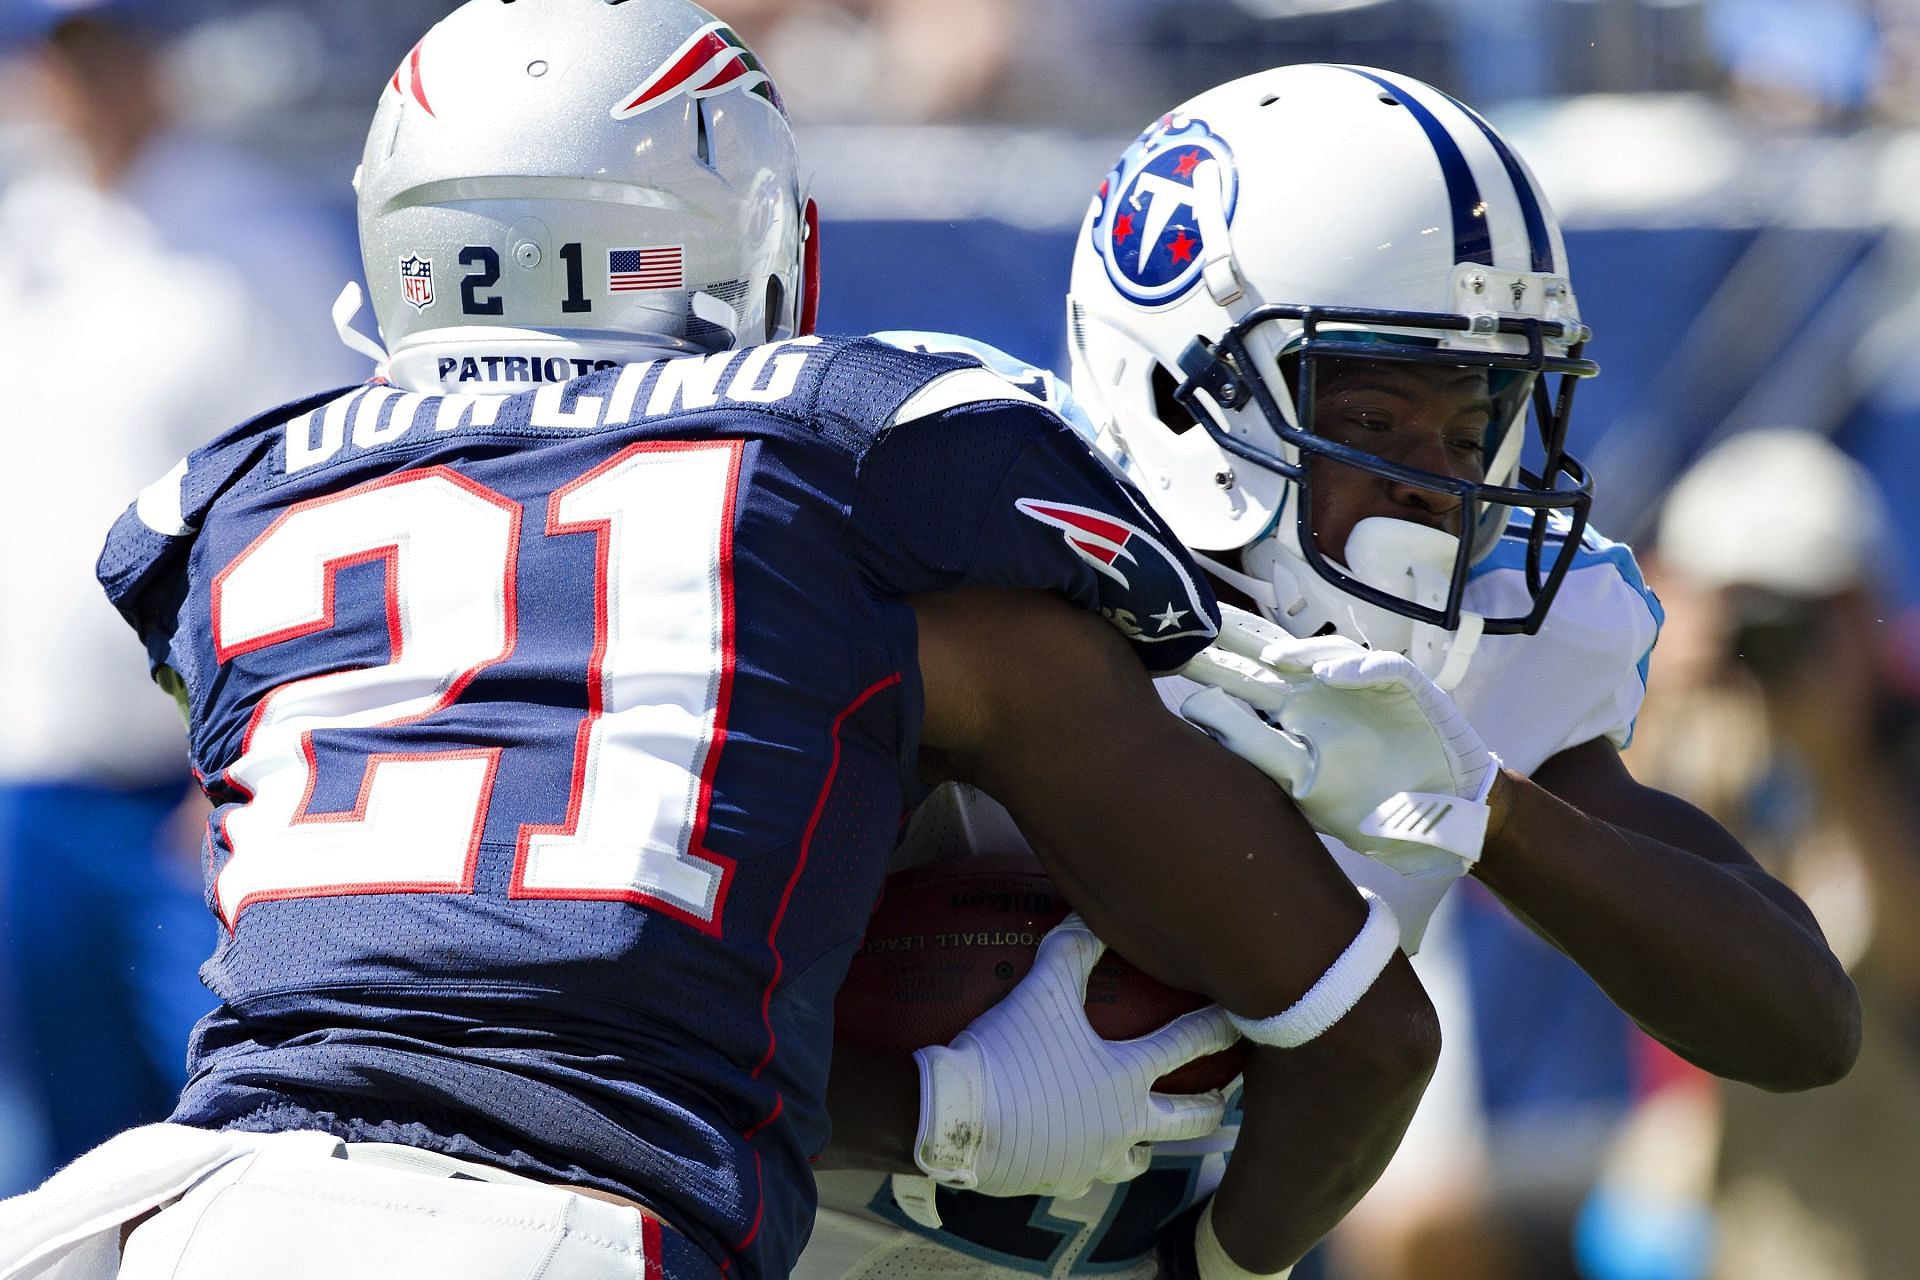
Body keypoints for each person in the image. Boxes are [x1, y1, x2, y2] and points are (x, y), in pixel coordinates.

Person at [0, 9, 1457, 1280]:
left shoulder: (238, 502)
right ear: (748, 230)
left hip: (196, 1206)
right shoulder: (869, 463)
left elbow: (457, 1001)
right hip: (577, 1229)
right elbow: (1365, 1032)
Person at [800, 63, 1861, 1280]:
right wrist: (925, 1109)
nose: (1437, 479)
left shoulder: (1483, 642)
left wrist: (1489, 811)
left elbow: (1800, 1019)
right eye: (1372, 418)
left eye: (1473, 427)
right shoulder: (970, 566)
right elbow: (615, 1022)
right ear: (1175, 388)